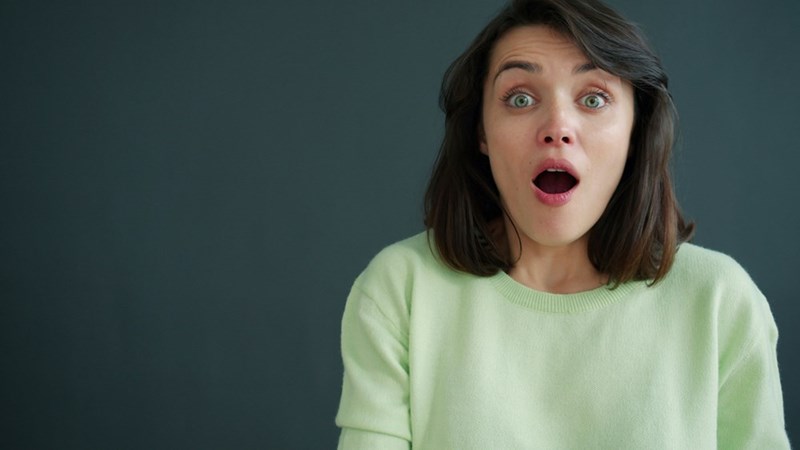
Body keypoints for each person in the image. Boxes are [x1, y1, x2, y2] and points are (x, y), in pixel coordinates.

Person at [335, 0, 790, 448]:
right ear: (481, 133)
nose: (557, 126)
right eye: (520, 98)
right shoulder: (400, 291)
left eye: (593, 98)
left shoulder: (720, 301)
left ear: (637, 130)